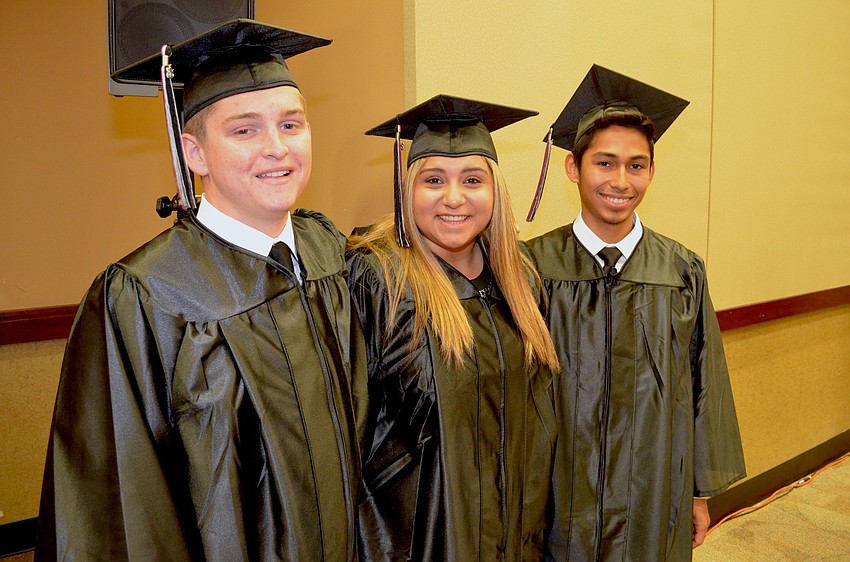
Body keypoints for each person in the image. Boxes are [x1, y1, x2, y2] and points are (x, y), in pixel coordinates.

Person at [36, 20, 366, 561]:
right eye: (244, 130)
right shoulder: (146, 295)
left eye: (292, 124)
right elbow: (120, 507)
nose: (276, 148)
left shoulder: (329, 252)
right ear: (194, 153)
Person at [524, 65, 746, 561]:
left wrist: (699, 491)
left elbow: (704, 383)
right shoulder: (531, 269)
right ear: (573, 168)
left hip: (654, 487)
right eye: (604, 163)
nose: (620, 181)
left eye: (636, 165)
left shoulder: (681, 270)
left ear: (650, 170)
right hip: (560, 493)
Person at [347, 95, 561, 561]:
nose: (454, 198)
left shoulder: (520, 278)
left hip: (515, 533)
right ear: (408, 190)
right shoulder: (379, 281)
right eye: (433, 180)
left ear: (495, 191)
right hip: (423, 539)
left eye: (472, 179)